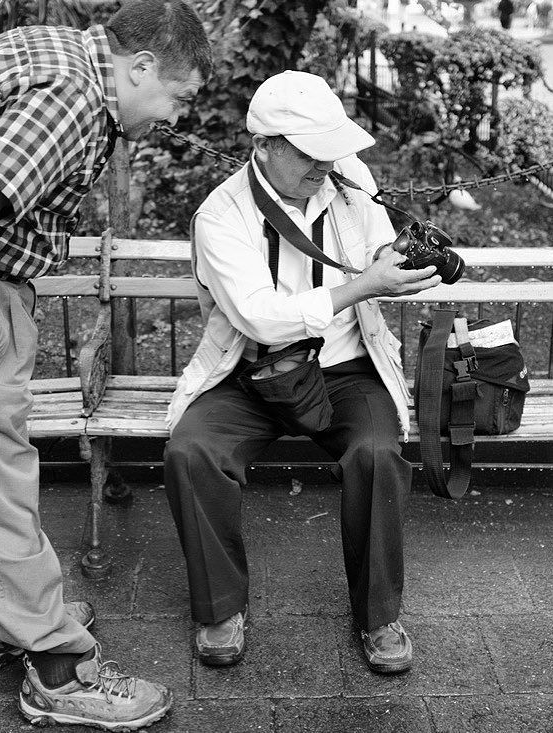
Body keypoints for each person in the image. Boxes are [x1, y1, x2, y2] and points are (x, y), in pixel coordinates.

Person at [0, 1, 210, 729]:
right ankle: (57, 668)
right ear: (139, 66)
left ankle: (6, 618)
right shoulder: (74, 100)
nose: (175, 114)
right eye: (178, 95)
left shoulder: (59, 52)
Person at [163, 71, 443, 675]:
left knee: (376, 454)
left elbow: (375, 251)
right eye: (310, 152)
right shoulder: (221, 215)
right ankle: (219, 610)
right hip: (253, 371)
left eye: (331, 149)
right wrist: (365, 284)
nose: (326, 165)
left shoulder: (350, 179)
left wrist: (401, 266)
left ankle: (379, 616)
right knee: (192, 452)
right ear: (263, 146)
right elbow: (262, 320)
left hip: (346, 369)